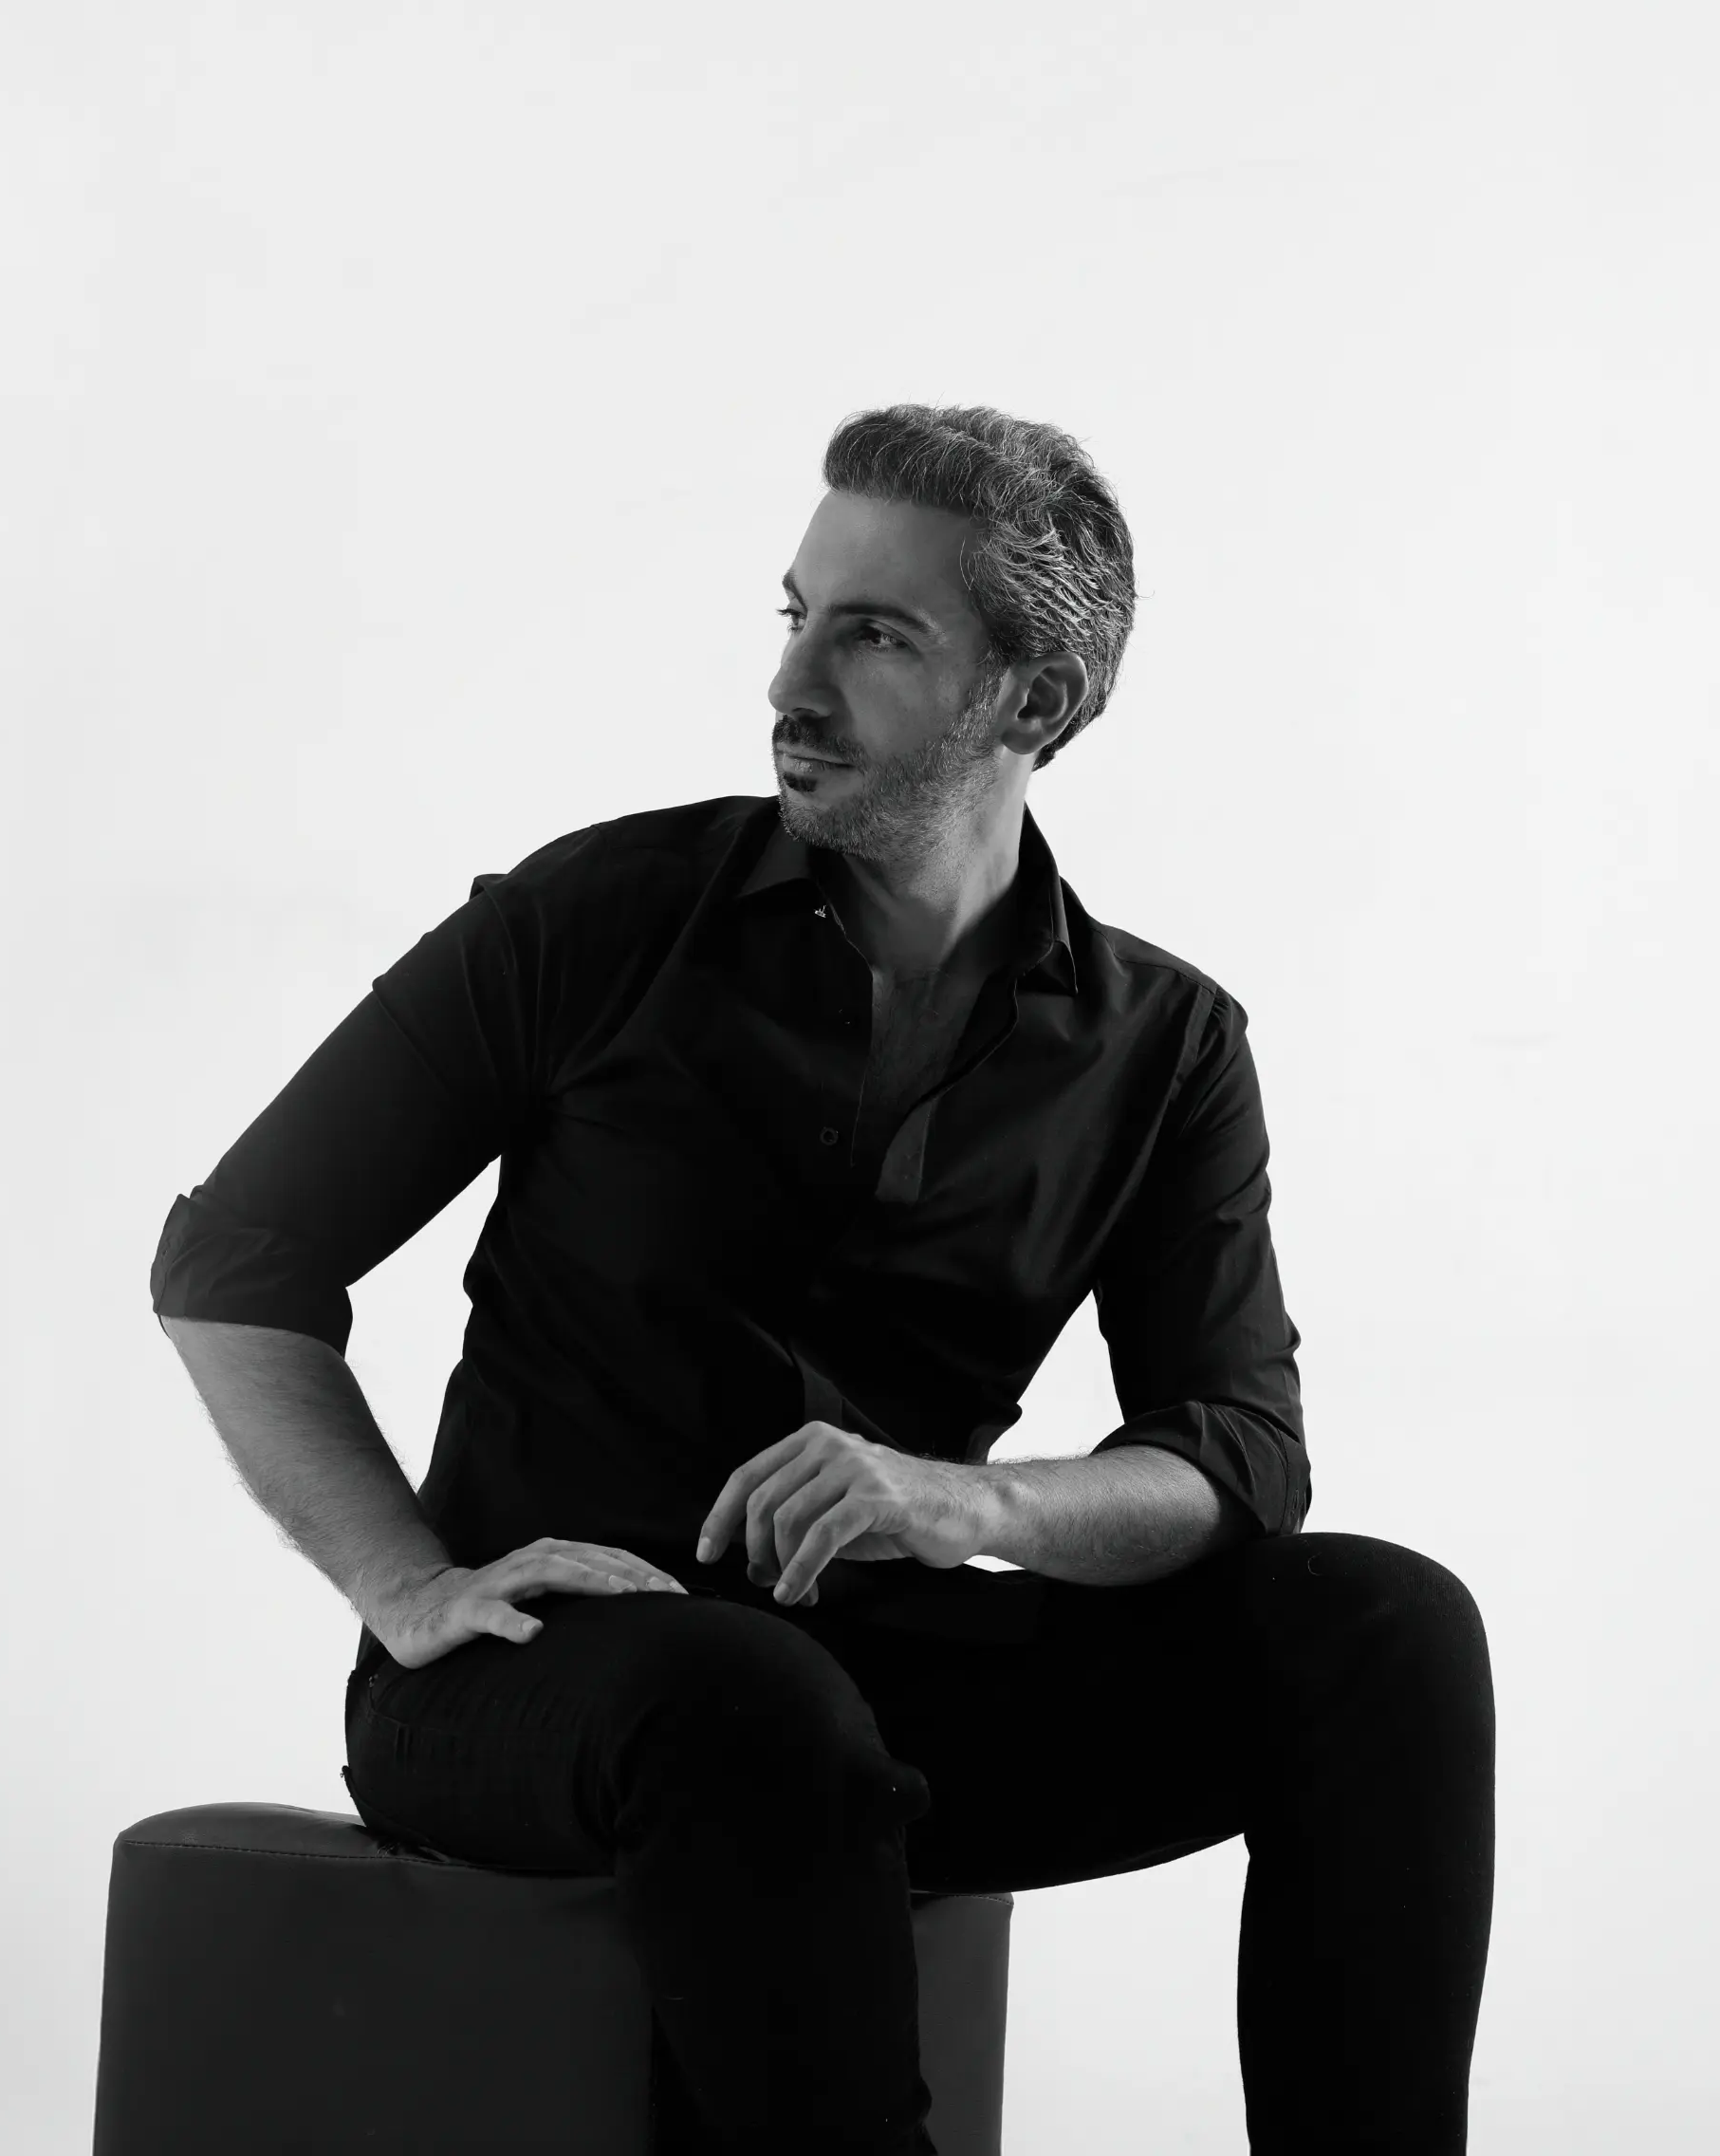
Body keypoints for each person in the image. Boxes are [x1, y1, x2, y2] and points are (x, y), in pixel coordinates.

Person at [147, 405, 1496, 2155]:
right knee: (742, 1698)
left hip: (879, 1687)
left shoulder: (1161, 1045)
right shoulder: (601, 915)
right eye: (794, 616)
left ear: (1030, 698)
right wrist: (406, 1583)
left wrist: (962, 1504)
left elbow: (1238, 1454)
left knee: (1383, 1631)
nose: (790, 683)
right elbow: (236, 1260)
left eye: (871, 636)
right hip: (536, 1676)